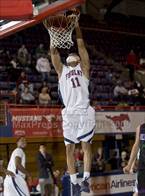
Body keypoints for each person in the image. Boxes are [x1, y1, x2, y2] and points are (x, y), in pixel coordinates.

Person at [50, 21, 96, 195]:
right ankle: (75, 182)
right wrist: (53, 33)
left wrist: (77, 26)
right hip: (69, 113)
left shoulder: (84, 68)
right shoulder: (61, 71)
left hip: (84, 111)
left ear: (76, 59)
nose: (71, 54)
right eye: (70, 54)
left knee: (86, 146)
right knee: (69, 148)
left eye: (74, 54)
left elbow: (81, 45)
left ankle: (85, 179)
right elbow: (53, 52)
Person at [123, 123, 145, 196]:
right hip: (142, 167)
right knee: (140, 193)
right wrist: (129, 165)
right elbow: (136, 146)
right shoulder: (141, 127)